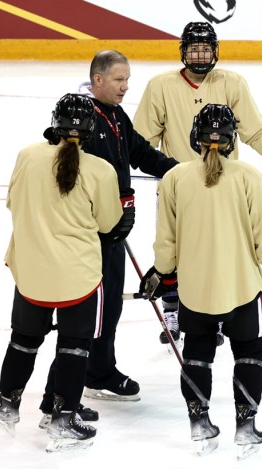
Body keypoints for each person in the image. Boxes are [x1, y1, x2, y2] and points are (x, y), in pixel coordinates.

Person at [138, 103, 262, 457]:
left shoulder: (174, 178)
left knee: (197, 353)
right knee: (249, 352)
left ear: (195, 138)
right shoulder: (248, 176)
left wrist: (162, 273)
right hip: (241, 290)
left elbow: (166, 245)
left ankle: (199, 423)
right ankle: (247, 427)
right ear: (233, 138)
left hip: (195, 291)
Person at [132, 21, 262, 347]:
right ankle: (174, 310)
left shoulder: (232, 82)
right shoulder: (160, 86)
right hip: (178, 188)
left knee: (219, 250)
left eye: (205, 49)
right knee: (175, 250)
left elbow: (255, 131)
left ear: (216, 51)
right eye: (194, 48)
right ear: (183, 52)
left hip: (224, 186)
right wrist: (169, 169)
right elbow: (141, 141)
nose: (200, 55)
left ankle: (212, 310)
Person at [0, 94, 123, 452]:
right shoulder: (101, 170)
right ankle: (63, 416)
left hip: (31, 272)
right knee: (74, 348)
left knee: (23, 340)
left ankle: (8, 402)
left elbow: (13, 202)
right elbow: (108, 223)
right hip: (78, 276)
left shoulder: (28, 156)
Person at [40, 50, 179, 408]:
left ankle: (98, 371)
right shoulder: (79, 117)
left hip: (114, 229)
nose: (125, 87)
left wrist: (178, 171)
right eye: (119, 80)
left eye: (127, 80)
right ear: (97, 80)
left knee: (109, 305)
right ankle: (64, 387)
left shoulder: (116, 115)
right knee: (87, 312)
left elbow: (140, 153)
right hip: (87, 233)